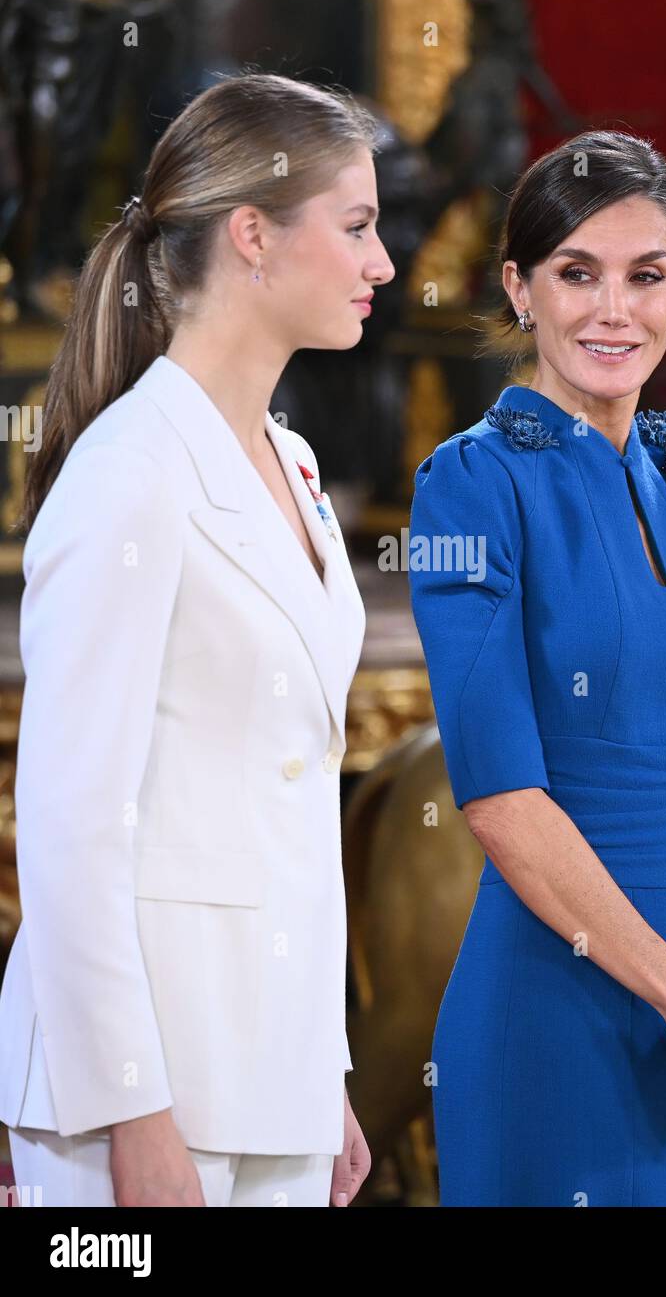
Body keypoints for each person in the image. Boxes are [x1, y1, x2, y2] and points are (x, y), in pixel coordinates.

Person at [0, 71, 395, 1206]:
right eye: (358, 225)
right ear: (254, 235)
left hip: (268, 1075)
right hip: (138, 1097)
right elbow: (71, 828)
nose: (382, 263)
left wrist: (319, 1074)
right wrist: (137, 1114)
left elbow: (283, 813)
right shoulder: (127, 475)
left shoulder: (300, 464)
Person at [408, 130, 666, 1207]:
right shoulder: (469, 487)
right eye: (575, 274)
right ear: (518, 289)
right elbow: (498, 797)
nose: (612, 310)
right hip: (553, 1018)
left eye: (646, 275)